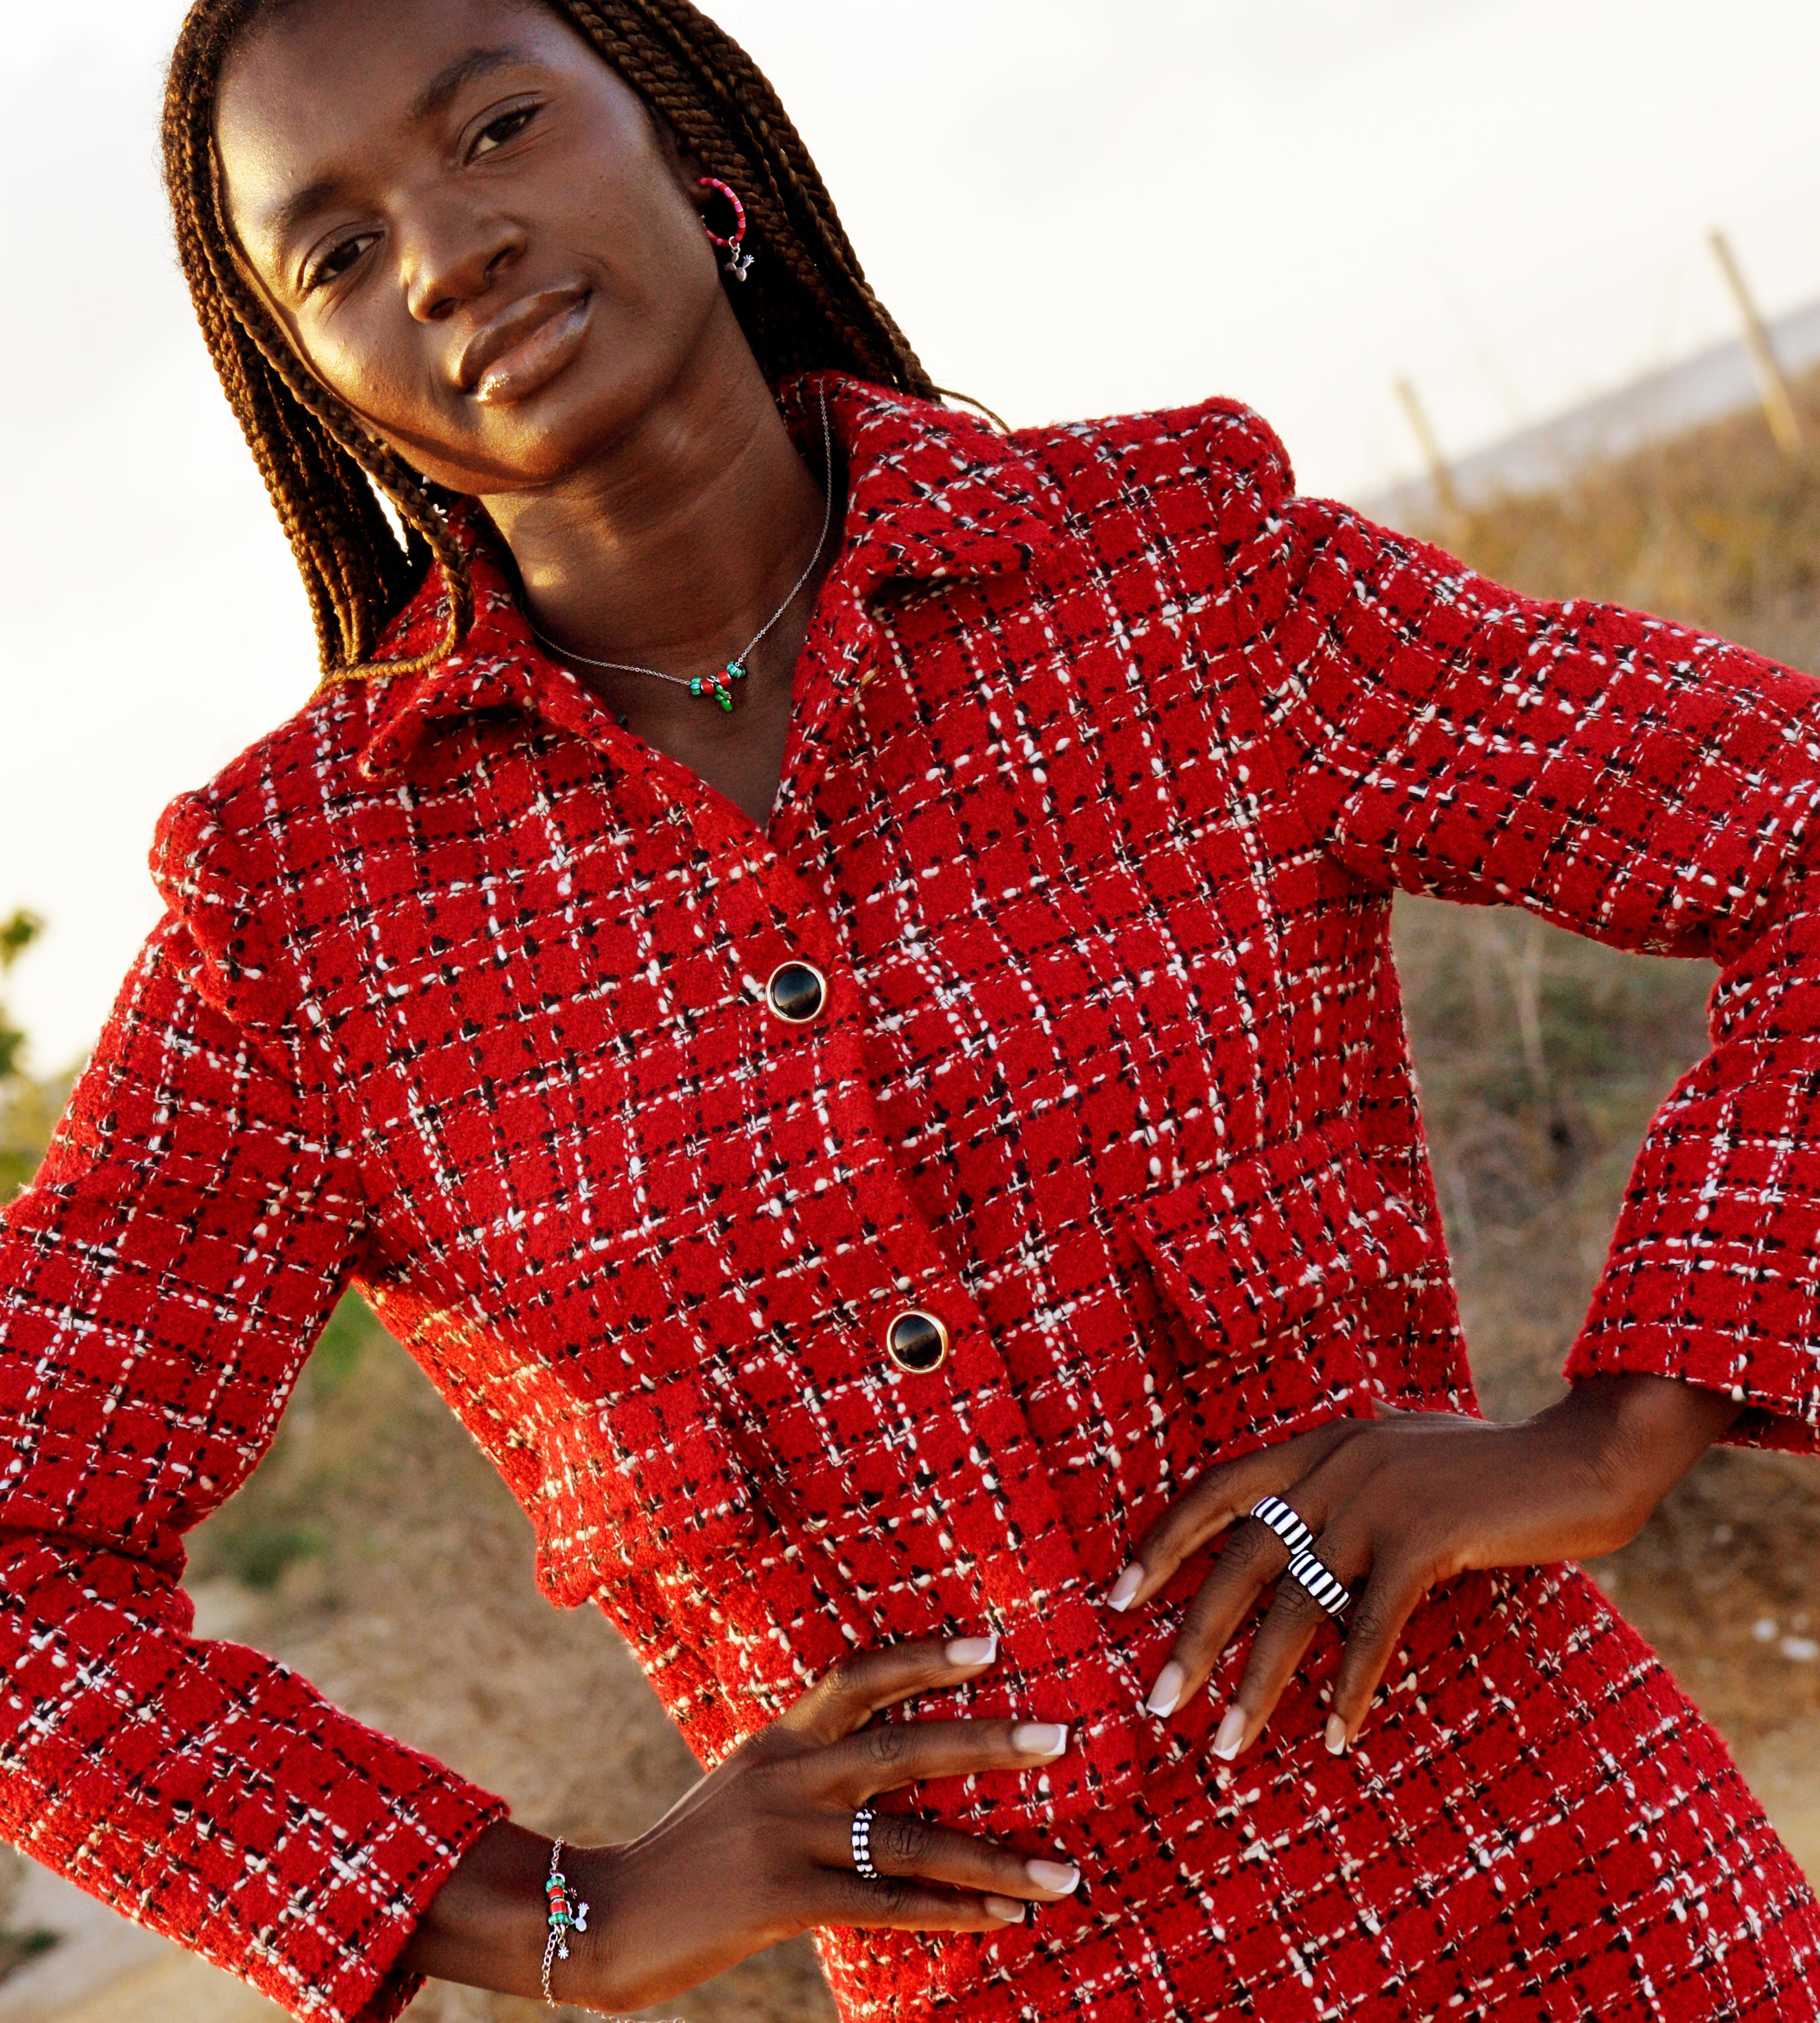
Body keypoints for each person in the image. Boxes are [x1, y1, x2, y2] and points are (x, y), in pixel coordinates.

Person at [2, 0, 1818, 2017]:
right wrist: (548, 1914)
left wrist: (1618, 1431)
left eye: (498, 128)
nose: (445, 252)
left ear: (691, 149)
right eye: (335, 252)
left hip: (1604, 1910)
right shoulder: (307, 928)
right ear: (311, 374)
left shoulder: (1165, 583)